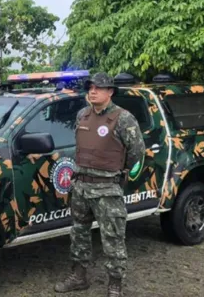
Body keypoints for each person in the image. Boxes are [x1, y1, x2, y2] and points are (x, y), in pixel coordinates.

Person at [54, 72, 145, 296]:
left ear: (110, 92)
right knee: (79, 234)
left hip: (107, 189)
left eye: (99, 88)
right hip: (82, 187)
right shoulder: (82, 115)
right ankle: (79, 276)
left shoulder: (123, 118)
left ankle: (115, 284)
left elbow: (137, 151)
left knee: (113, 238)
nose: (92, 91)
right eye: (90, 87)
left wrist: (119, 171)